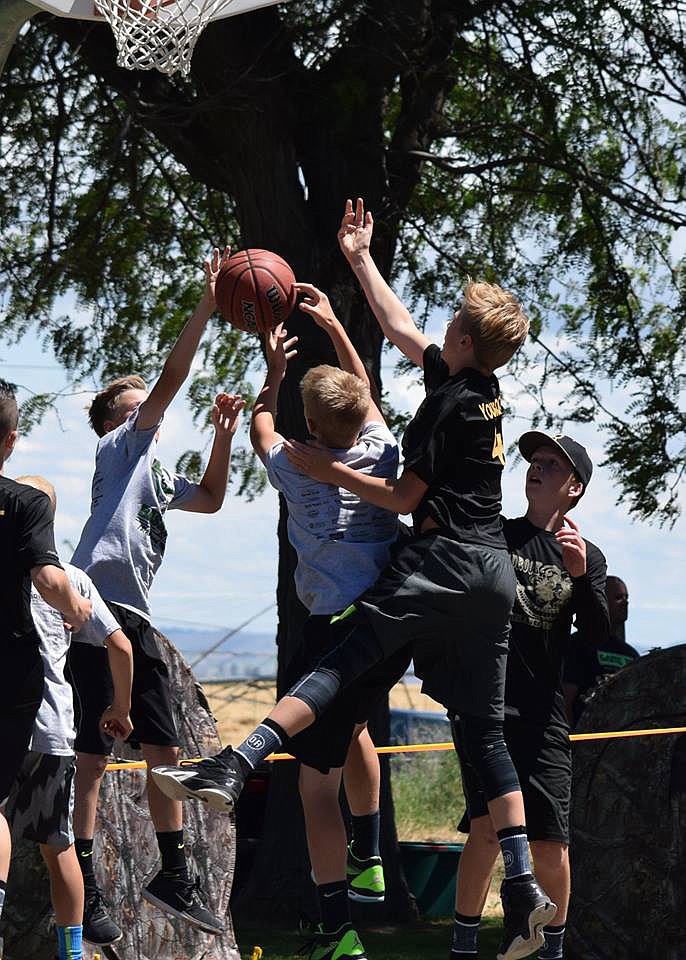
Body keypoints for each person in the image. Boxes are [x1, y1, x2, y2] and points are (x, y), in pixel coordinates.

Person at [153, 199, 552, 960]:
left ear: (463, 341)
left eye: (449, 329)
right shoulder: (478, 388)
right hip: (494, 574)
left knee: (341, 677)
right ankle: (522, 882)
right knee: (477, 729)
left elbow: (404, 495)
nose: (436, 334)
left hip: (440, 563)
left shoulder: (432, 416)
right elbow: (392, 350)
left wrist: (316, 453)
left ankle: (242, 768)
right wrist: (357, 265)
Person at [68, 249, 245, 944]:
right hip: (105, 610)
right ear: (118, 420)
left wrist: (224, 438)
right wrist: (208, 303)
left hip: (116, 613)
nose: (152, 411)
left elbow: (210, 497)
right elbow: (173, 379)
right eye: (137, 406)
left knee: (142, 753)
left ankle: (151, 879)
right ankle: (120, 880)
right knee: (117, 755)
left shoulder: (151, 468)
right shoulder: (121, 446)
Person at [246, 283, 406, 958]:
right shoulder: (382, 454)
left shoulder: (295, 464)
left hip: (328, 631)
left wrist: (273, 371)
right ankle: (369, 855)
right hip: (386, 627)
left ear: (310, 427)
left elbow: (259, 419)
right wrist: (337, 322)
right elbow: (364, 390)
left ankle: (335, 929)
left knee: (315, 784)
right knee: (356, 730)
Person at [444, 434, 609, 960]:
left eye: (550, 464)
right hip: (486, 710)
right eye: (533, 462)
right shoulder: (497, 533)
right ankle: (464, 948)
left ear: (574, 488)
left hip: (544, 718)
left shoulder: (588, 555)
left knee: (551, 844)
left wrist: (581, 578)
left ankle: (550, 952)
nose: (535, 468)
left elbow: (598, 634)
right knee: (487, 833)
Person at [4, 475, 133, 960]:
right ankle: (72, 952)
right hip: (53, 727)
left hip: (7, 720)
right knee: (57, 845)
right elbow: (119, 645)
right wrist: (120, 708)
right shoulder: (74, 580)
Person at [0, 383, 92, 950]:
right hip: (26, 695)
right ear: (10, 441)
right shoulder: (25, 507)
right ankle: (73, 946)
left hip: (34, 706)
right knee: (54, 840)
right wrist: (76, 607)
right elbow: (49, 577)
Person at [563, 575, 638, 726]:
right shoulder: (577, 645)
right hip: (585, 737)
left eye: (626, 597)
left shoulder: (631, 654)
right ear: (603, 600)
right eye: (618, 598)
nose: (625, 602)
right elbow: (566, 698)